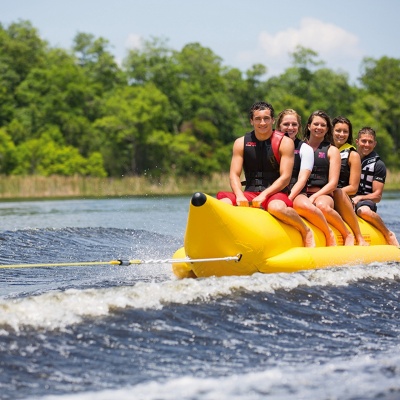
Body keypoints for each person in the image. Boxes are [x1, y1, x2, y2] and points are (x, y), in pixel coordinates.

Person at [216, 101, 315, 247]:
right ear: (251, 121)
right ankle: (221, 243)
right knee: (222, 204)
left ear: (273, 120)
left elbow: (285, 177)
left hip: (276, 193)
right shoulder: (240, 143)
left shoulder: (285, 142)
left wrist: (265, 194)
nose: (262, 123)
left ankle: (306, 230)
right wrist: (239, 195)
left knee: (276, 208)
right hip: (249, 192)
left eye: (266, 118)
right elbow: (234, 175)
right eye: (258, 119)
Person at [276, 109, 336, 246]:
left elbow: (303, 179)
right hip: (274, 191)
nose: (290, 128)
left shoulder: (305, 148)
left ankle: (328, 233)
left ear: (299, 127)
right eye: (286, 124)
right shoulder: (270, 145)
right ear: (279, 126)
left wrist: (289, 198)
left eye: (294, 124)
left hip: (295, 191)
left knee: (304, 206)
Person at [302, 110, 355, 246]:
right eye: (316, 124)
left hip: (323, 194)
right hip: (301, 193)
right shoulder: (299, 147)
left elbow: (333, 184)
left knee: (321, 206)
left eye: (323, 125)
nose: (319, 128)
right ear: (309, 126)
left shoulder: (332, 151)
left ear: (327, 129)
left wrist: (314, 197)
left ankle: (346, 233)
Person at [351, 127, 399, 246]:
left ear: (375, 144)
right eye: (363, 141)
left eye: (370, 142)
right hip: (346, 198)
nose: (366, 145)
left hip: (365, 202)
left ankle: (388, 234)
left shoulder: (378, 165)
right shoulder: (349, 158)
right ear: (357, 142)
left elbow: (377, 196)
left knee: (364, 212)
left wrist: (359, 198)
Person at [332, 116, 368, 246]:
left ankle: (359, 236)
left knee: (338, 192)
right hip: (324, 195)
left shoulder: (353, 155)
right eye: (338, 130)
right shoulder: (325, 150)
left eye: (345, 131)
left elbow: (353, 187)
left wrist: (330, 191)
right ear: (331, 131)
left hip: (342, 198)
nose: (341, 134)